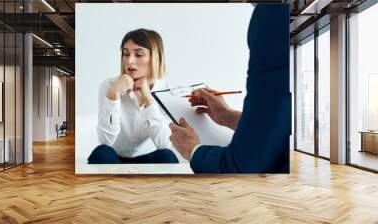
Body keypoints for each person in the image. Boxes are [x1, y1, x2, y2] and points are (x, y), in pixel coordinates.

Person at [169, 4, 291, 173]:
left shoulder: (270, 15)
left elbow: (243, 165)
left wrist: (192, 150)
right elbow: (281, 129)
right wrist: (226, 116)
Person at [88, 28, 179, 164]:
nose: (129, 61)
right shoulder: (109, 86)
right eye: (125, 54)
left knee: (167, 156)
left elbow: (164, 143)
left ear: (154, 57)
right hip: (115, 157)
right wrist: (113, 96)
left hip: (148, 157)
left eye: (138, 54)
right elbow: (106, 141)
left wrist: (149, 102)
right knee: (101, 153)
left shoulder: (165, 90)